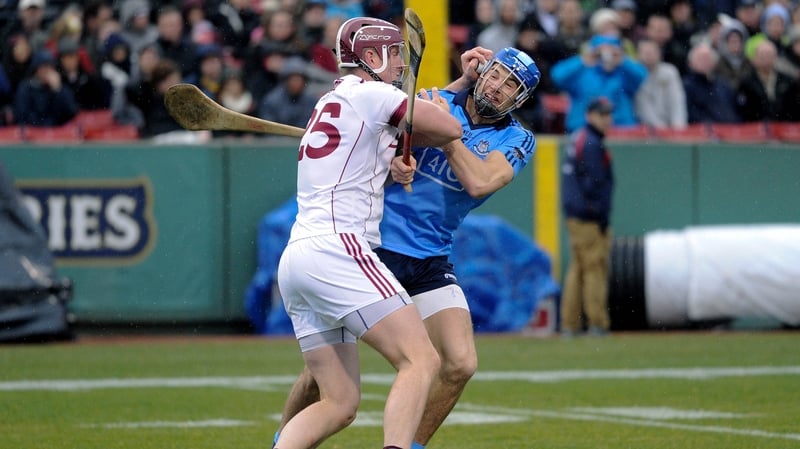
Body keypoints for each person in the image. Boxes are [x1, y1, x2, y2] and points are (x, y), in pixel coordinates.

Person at [274, 45, 541, 449]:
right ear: (482, 71)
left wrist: (449, 138)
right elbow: (371, 161)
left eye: (510, 86)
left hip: (430, 254)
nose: (498, 87)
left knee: (460, 363)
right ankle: (282, 438)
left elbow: (481, 182)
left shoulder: (517, 138)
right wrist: (398, 164)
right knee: (322, 375)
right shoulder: (434, 100)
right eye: (496, 75)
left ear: (519, 100)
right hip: (376, 246)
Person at [272, 17, 462, 449]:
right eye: (393, 54)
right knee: (420, 359)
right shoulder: (374, 94)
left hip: (298, 258)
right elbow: (449, 129)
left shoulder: (329, 101)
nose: (398, 65)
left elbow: (360, 161)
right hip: (340, 249)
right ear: (370, 56)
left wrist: (392, 163)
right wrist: (441, 108)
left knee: (339, 402)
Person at [560, 96, 615, 338]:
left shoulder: (580, 137)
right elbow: (595, 184)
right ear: (590, 115)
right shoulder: (592, 142)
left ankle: (570, 324)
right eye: (602, 114)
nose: (607, 119)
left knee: (579, 268)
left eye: (609, 114)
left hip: (576, 213)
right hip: (588, 216)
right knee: (594, 268)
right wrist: (600, 216)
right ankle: (597, 322)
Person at [551, 33, 647, 132]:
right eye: (600, 53)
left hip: (620, 129)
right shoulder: (583, 72)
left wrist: (622, 60)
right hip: (584, 128)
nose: (606, 57)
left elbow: (642, 76)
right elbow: (557, 76)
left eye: (612, 52)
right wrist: (583, 60)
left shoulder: (624, 73)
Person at [634, 38, 687, 129]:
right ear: (638, 55)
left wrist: (678, 128)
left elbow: (677, 101)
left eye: (652, 52)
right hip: (645, 129)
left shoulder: (670, 71)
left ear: (659, 54)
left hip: (671, 127)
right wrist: (662, 130)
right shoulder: (634, 74)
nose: (649, 56)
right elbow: (643, 107)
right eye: (646, 53)